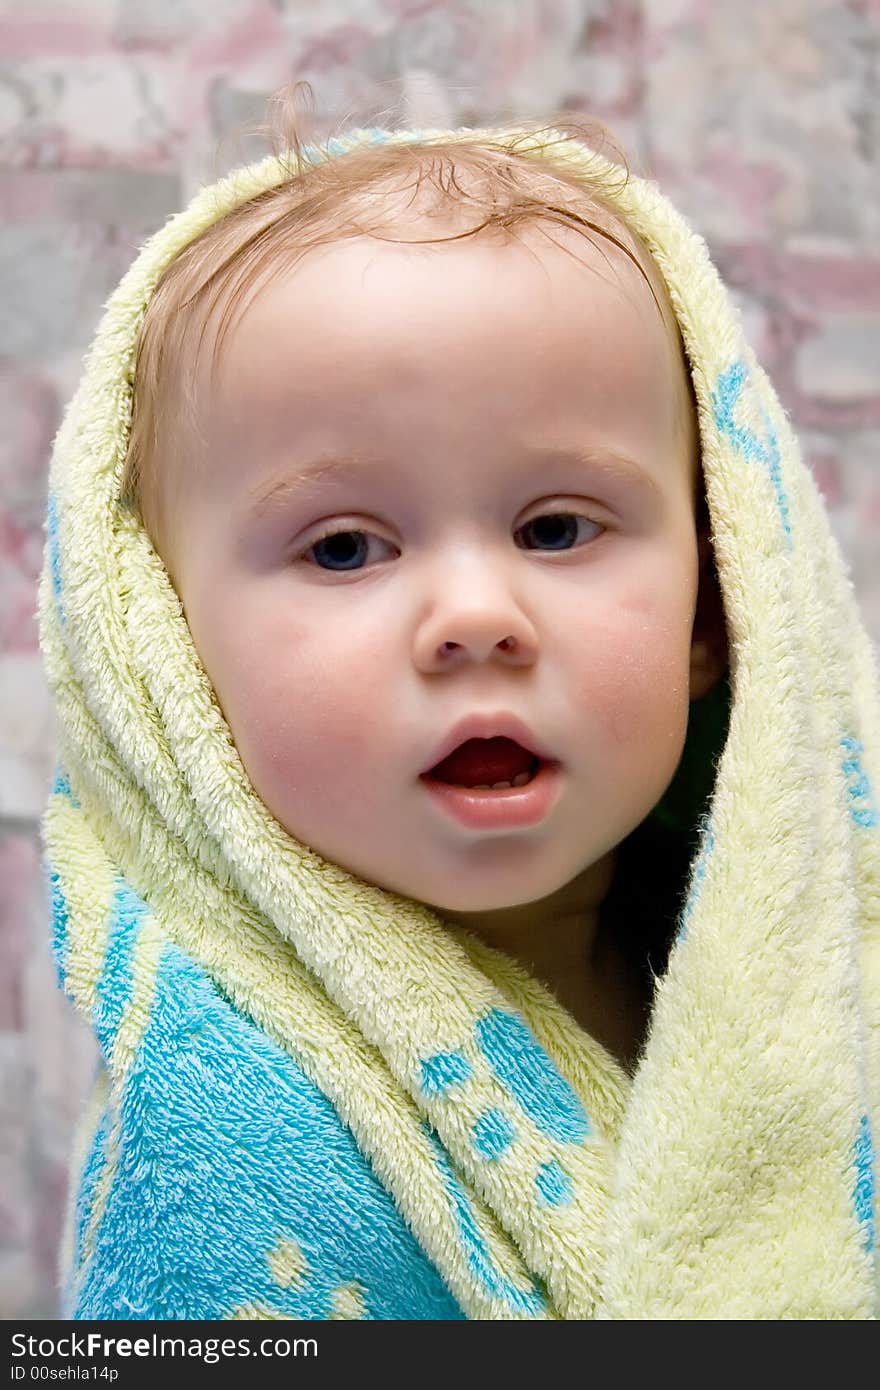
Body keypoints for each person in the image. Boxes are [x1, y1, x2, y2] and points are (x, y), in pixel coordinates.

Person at [39, 90, 878, 1319]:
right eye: (342, 549)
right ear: (172, 658)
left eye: (554, 525)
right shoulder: (235, 1159)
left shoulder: (822, 987)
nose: (474, 615)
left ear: (717, 611)